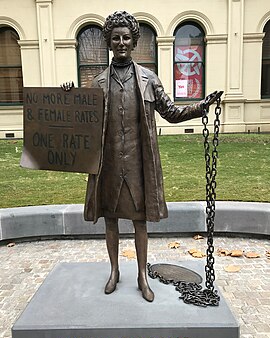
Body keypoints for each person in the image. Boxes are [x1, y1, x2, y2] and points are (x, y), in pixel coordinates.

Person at [63, 10, 222, 302]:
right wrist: (69, 98)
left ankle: (141, 276)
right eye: (115, 38)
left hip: (138, 164)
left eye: (126, 37)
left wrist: (199, 107)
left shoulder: (149, 79)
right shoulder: (97, 83)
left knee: (139, 222)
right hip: (108, 164)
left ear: (133, 41)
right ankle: (114, 271)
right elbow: (81, 124)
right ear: (109, 43)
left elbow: (171, 112)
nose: (121, 42)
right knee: (110, 220)